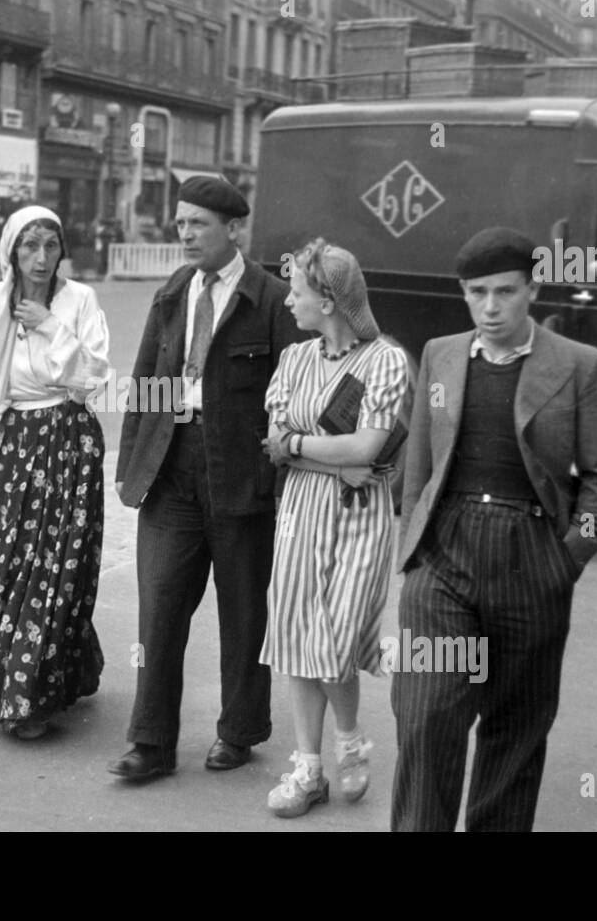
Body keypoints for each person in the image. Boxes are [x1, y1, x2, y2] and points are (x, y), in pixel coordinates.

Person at [391, 226, 597, 831]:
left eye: (505, 292)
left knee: (514, 728)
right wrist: (413, 547)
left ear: (533, 289)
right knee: (427, 716)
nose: (490, 307)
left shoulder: (580, 365)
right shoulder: (442, 354)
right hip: (444, 554)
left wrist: (567, 559)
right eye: (477, 293)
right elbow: (419, 463)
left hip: (532, 554)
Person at [108, 176, 306, 780]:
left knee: (243, 611)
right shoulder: (173, 292)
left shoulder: (270, 299)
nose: (186, 234)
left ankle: (239, 731)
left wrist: (281, 473)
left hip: (242, 472)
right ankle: (150, 743)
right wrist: (131, 463)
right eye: (181, 223)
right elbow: (147, 380)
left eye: (198, 223)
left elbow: (295, 392)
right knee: (160, 607)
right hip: (172, 466)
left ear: (234, 229)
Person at [258, 239, 409, 817]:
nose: (288, 301)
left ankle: (348, 739)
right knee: (298, 635)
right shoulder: (294, 359)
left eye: (296, 291)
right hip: (301, 511)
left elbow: (368, 449)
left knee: (334, 636)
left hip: (358, 516)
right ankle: (308, 768)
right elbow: (276, 444)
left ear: (327, 301)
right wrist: (330, 457)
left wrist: (302, 447)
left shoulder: (384, 361)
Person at [0, 205, 110, 739]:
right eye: (29, 245)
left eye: (50, 245)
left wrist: (49, 326)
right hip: (8, 438)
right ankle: (17, 674)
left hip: (64, 438)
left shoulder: (80, 300)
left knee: (50, 566)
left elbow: (92, 378)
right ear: (11, 251)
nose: (41, 258)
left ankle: (27, 697)